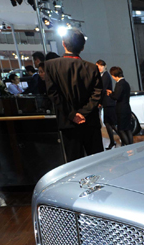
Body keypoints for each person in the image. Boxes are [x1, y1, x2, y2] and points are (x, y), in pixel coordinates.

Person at [45, 28, 103, 161]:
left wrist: (72, 114)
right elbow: (97, 94)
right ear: (82, 47)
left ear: (63, 43)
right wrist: (84, 112)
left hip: (68, 122)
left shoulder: (50, 66)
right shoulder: (92, 67)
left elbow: (53, 94)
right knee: (97, 162)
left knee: (73, 163)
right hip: (90, 122)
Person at [106, 66, 133, 145]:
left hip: (121, 110)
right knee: (127, 129)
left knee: (121, 129)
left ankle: (127, 146)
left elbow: (116, 97)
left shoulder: (119, 84)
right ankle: (131, 145)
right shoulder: (126, 83)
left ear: (114, 75)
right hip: (127, 108)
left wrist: (110, 94)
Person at [96, 59, 119, 149]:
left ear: (104, 66)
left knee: (111, 123)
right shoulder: (102, 76)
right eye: (98, 66)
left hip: (108, 102)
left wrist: (99, 102)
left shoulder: (105, 76)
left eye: (100, 66)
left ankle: (122, 138)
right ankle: (113, 142)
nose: (99, 68)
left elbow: (103, 90)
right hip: (107, 103)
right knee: (108, 123)